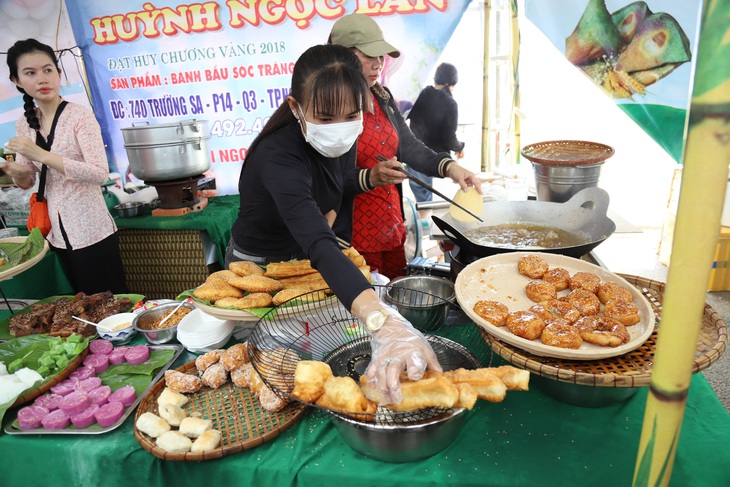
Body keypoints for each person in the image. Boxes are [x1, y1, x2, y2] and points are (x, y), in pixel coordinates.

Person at [225, 44, 440, 404]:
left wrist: (343, 206)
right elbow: (319, 244)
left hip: (306, 253)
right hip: (259, 265)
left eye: (351, 115)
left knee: (316, 341)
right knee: (274, 361)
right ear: (296, 107)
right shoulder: (279, 155)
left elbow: (337, 185)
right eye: (325, 119)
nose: (340, 129)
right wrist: (383, 322)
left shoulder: (343, 137)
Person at [328, 13, 482, 279]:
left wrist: (450, 167)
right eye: (369, 56)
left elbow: (408, 146)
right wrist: (370, 177)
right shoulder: (328, 107)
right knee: (363, 312)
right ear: (343, 56)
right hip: (351, 239)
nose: (378, 64)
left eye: (381, 56)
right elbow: (323, 178)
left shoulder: (382, 96)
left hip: (390, 228)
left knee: (394, 305)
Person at [2, 39, 128, 294]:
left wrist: (42, 154)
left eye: (48, 70)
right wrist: (16, 173)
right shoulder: (25, 123)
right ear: (17, 81)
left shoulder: (79, 116)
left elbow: (99, 173)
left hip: (91, 231)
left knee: (110, 302)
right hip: (54, 233)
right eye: (30, 73)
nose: (42, 79)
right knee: (76, 307)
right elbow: (27, 180)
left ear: (59, 73)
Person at [407, 63, 466, 205]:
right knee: (432, 203)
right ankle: (427, 223)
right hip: (436, 160)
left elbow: (403, 115)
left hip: (414, 155)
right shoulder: (450, 103)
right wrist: (459, 147)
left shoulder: (420, 95)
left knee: (422, 200)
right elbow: (449, 138)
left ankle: (423, 223)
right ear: (453, 82)